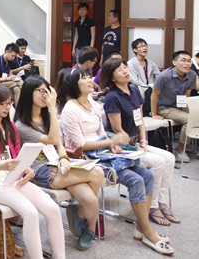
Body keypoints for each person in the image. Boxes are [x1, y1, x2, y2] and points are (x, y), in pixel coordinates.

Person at [59, 68, 173, 255]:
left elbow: (102, 133)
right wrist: (110, 142)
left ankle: (141, 228)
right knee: (136, 180)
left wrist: (112, 145)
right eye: (84, 78)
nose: (90, 80)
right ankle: (148, 232)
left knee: (148, 176)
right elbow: (80, 145)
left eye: (88, 77)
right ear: (74, 85)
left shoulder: (93, 104)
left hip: (104, 152)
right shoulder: (70, 109)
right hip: (87, 158)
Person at [0, 84, 66, 259]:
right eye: (3, 104)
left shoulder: (10, 126)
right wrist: (0, 166)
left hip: (12, 177)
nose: (7, 108)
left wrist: (26, 168)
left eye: (10, 103)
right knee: (30, 213)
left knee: (52, 209)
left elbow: (16, 156)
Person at [14, 76, 104, 251]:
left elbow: (59, 144)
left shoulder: (46, 117)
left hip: (57, 163)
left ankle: (87, 224)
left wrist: (63, 157)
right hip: (39, 170)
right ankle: (83, 218)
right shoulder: (21, 125)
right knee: (97, 173)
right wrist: (52, 109)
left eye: (47, 91)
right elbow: (52, 139)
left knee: (91, 200)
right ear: (28, 93)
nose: (45, 95)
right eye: (41, 91)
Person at [100, 59, 178, 227]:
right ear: (112, 77)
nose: (125, 71)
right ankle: (152, 206)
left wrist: (144, 140)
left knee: (170, 158)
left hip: (136, 142)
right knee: (157, 162)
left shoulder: (134, 90)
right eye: (120, 70)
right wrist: (136, 146)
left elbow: (140, 119)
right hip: (122, 146)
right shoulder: (112, 97)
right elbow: (118, 130)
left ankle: (162, 201)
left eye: (125, 67)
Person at [151, 50, 196, 163]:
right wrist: (154, 113)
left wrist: (185, 110)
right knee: (189, 119)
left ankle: (190, 144)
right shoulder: (164, 76)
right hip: (165, 107)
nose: (187, 64)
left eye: (189, 61)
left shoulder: (192, 75)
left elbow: (187, 93)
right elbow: (154, 95)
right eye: (183, 60)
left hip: (180, 106)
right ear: (174, 62)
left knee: (195, 116)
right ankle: (181, 151)